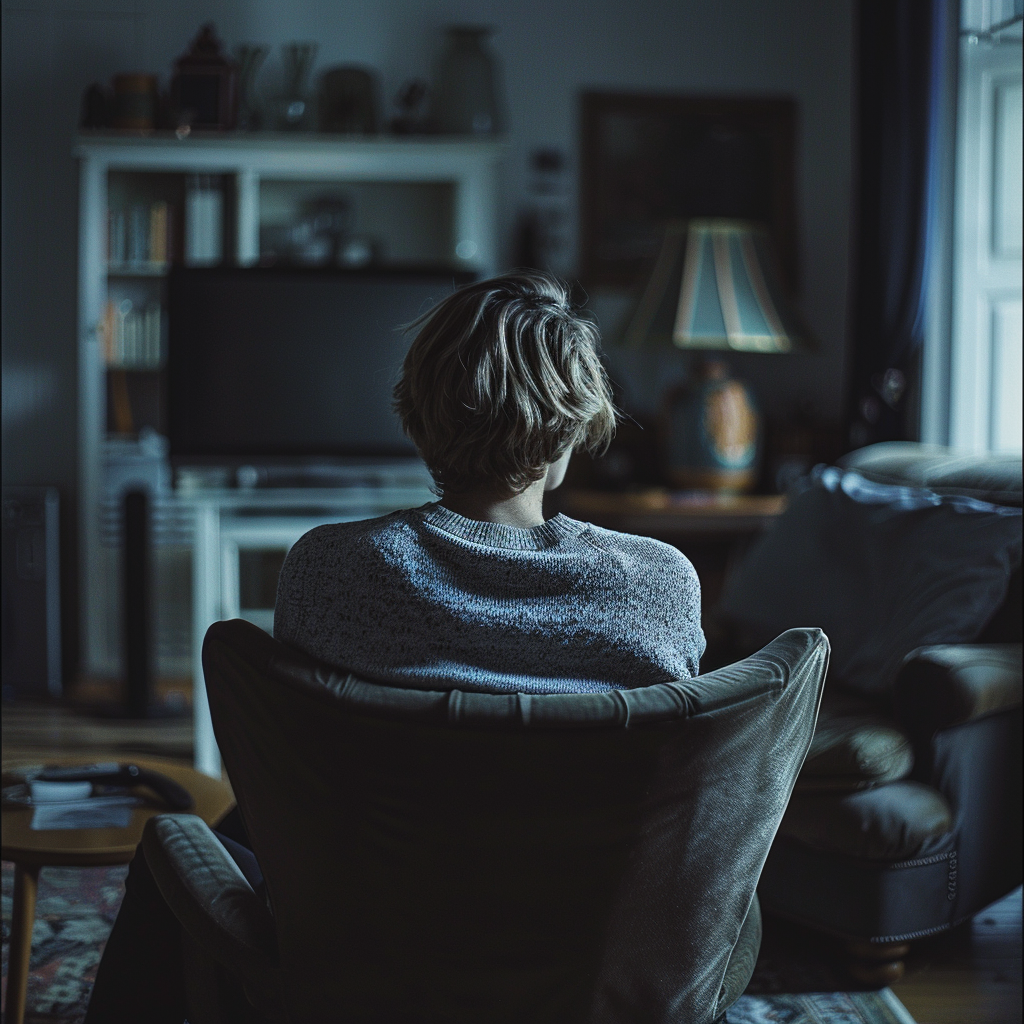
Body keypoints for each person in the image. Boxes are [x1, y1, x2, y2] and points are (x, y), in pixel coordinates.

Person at [84, 272, 704, 1022]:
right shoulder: (662, 584)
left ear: (419, 416)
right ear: (573, 428)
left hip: (373, 955)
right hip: (593, 956)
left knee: (201, 836)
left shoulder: (328, 568)